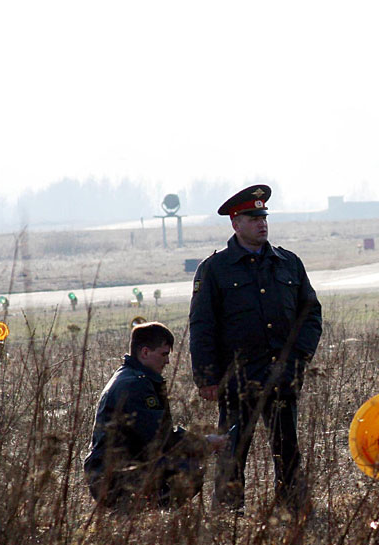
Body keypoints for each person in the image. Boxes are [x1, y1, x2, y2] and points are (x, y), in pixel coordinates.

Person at [189, 184, 322, 515]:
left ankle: (293, 509)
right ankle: (228, 515)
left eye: (263, 217)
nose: (262, 224)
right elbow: (202, 326)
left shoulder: (288, 263)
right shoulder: (215, 269)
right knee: (232, 450)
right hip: (238, 380)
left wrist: (299, 359)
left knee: (287, 449)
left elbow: (310, 315)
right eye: (253, 218)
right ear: (236, 224)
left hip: (282, 376)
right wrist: (206, 377)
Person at [84, 322, 225, 510]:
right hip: (114, 478)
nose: (167, 362)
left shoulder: (129, 376)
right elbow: (160, 439)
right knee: (188, 470)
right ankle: (137, 515)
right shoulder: (135, 385)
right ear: (145, 352)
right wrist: (205, 443)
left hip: (111, 471)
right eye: (164, 354)